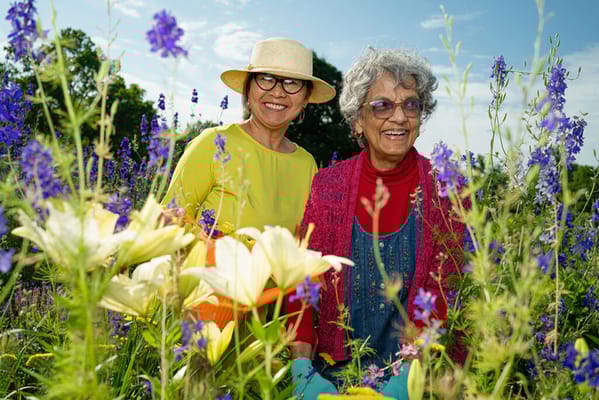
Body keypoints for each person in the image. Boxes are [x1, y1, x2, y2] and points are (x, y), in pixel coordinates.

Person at [287, 48, 467, 399]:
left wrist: (406, 382)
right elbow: (302, 285)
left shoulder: (449, 190)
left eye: (410, 105)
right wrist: (301, 370)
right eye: (382, 105)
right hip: (334, 375)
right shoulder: (327, 186)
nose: (398, 117)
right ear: (357, 119)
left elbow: (450, 293)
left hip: (418, 378)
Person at [162, 37, 336, 235]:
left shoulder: (307, 164)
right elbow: (169, 224)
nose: (278, 92)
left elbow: (302, 244)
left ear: (305, 98)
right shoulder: (213, 143)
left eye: (292, 83)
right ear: (248, 88)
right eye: (266, 79)